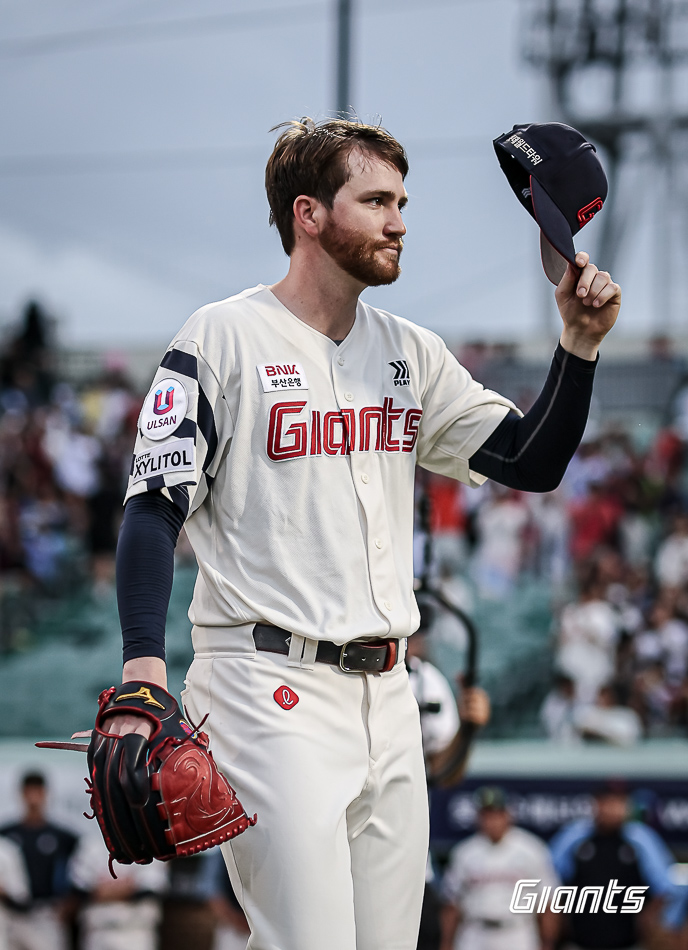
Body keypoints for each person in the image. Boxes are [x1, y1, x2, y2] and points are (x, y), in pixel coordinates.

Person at [107, 117, 620, 949]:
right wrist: (143, 672)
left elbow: (530, 459)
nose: (399, 221)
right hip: (266, 685)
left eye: (402, 201)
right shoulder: (221, 337)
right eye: (376, 200)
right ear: (308, 214)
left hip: (388, 694)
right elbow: (152, 507)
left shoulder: (406, 351)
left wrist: (579, 346)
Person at [549, 780, 686, 950]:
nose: (614, 809)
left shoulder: (640, 838)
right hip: (579, 940)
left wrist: (650, 921)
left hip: (628, 942)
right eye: (608, 802)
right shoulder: (575, 835)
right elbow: (550, 881)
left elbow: (666, 888)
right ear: (596, 804)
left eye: (620, 802)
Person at [440, 787, 559, 950]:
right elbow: (452, 905)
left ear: (508, 815)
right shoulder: (465, 852)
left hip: (517, 932)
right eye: (487, 815)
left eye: (497, 814)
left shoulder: (531, 849)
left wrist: (548, 943)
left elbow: (547, 902)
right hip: (475, 932)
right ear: (479, 817)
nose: (492, 821)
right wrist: (446, 943)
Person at [0, 771, 77, 950]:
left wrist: (72, 902)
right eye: (29, 791)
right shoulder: (7, 833)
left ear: (45, 794)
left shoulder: (62, 836)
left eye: (38, 791)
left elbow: (80, 870)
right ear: (22, 794)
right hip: (11, 913)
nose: (33, 797)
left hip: (46, 912)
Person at [68, 834, 168, 950]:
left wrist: (104, 892)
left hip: (135, 932)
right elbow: (79, 889)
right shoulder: (90, 843)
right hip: (98, 932)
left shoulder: (149, 843)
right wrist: (126, 889)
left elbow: (151, 888)